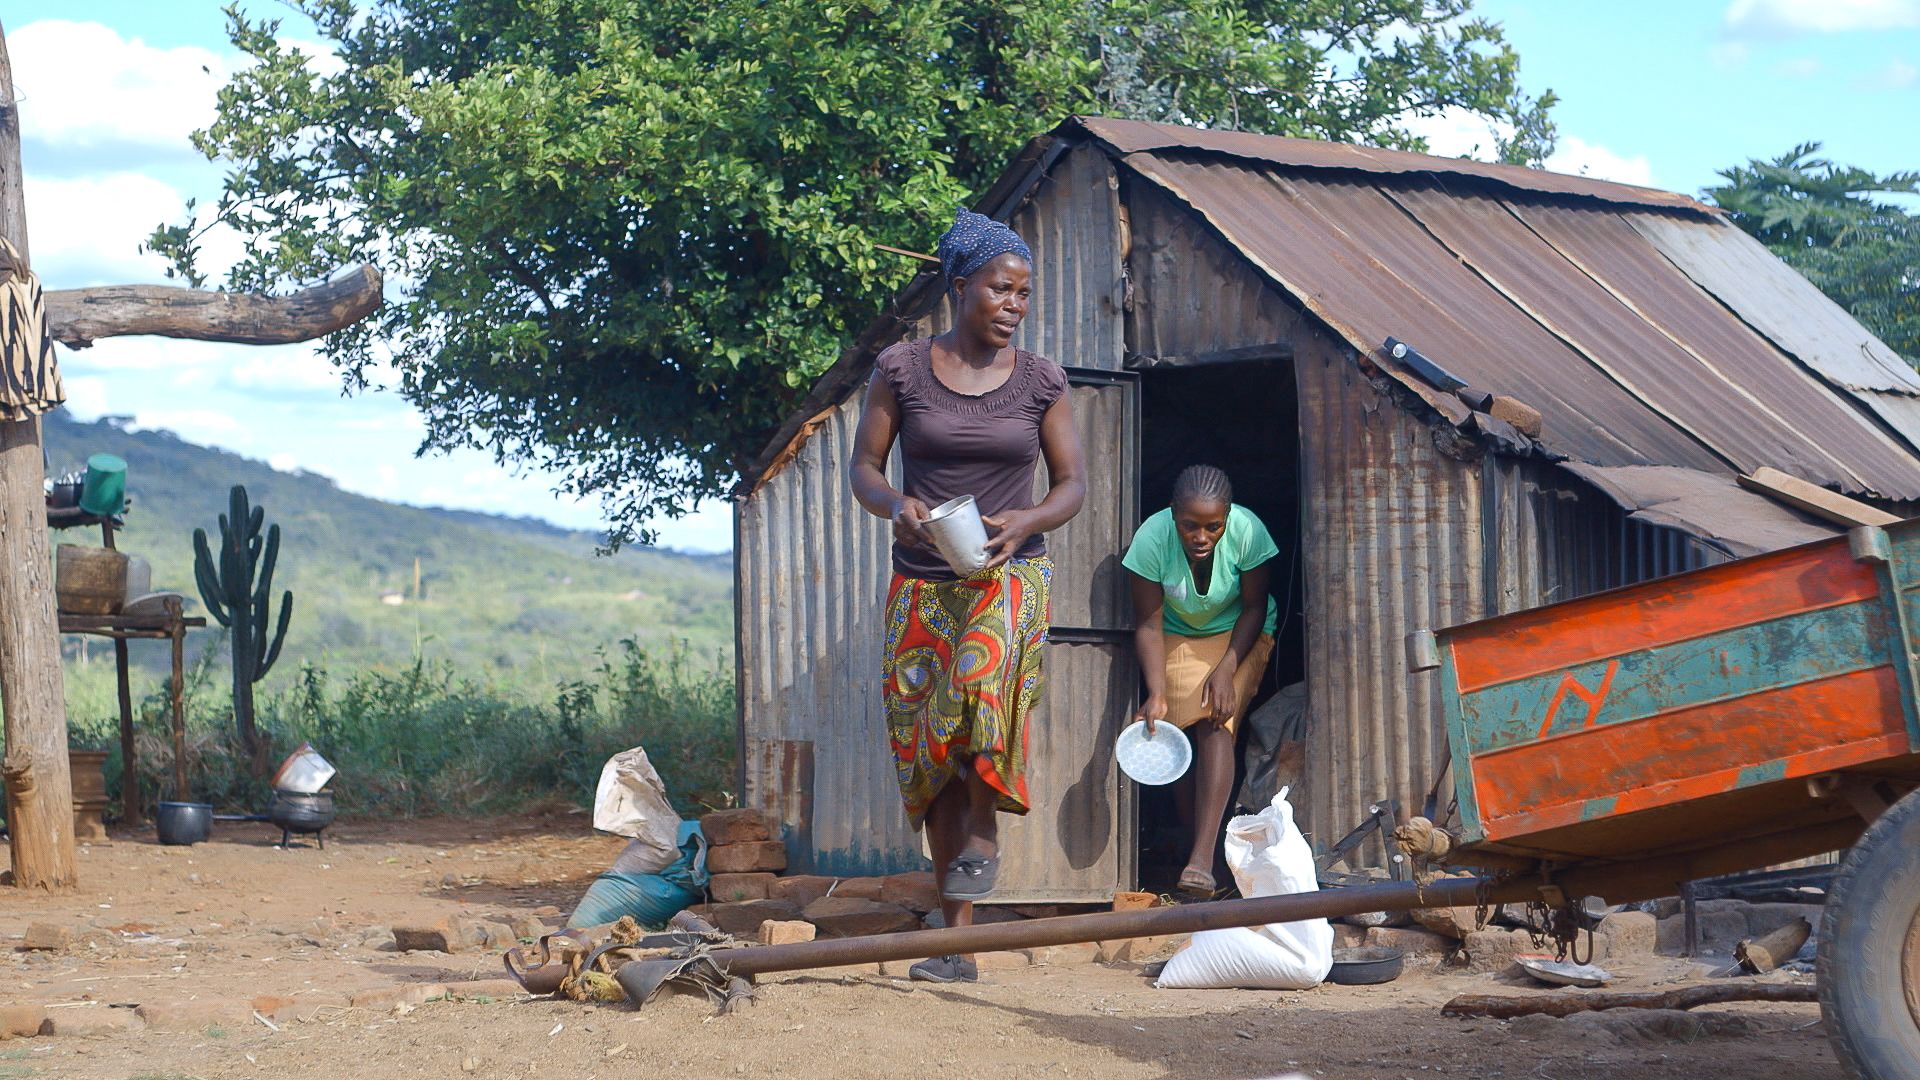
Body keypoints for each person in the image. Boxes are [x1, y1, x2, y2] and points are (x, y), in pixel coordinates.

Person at [849, 209, 1086, 984]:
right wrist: (898, 508)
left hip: (1008, 575)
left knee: (978, 693)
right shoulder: (902, 370)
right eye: (1000, 289)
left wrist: (1027, 520)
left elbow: (1073, 485)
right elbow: (866, 469)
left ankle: (985, 825)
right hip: (922, 585)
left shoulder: (1042, 380)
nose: (1015, 304)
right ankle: (954, 943)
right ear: (960, 287)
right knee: (931, 753)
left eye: (1024, 292)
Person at [1123, 465, 1278, 897]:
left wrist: (1227, 668)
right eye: (1190, 525)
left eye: (1213, 526)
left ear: (1227, 517)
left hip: (1240, 632)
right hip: (1174, 634)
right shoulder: (1151, 540)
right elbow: (1149, 625)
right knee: (1172, 728)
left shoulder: (1248, 531)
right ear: (1173, 515)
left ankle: (1202, 860)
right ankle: (1199, 846)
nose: (1201, 536)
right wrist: (1155, 693)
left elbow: (1252, 606)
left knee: (1216, 720)